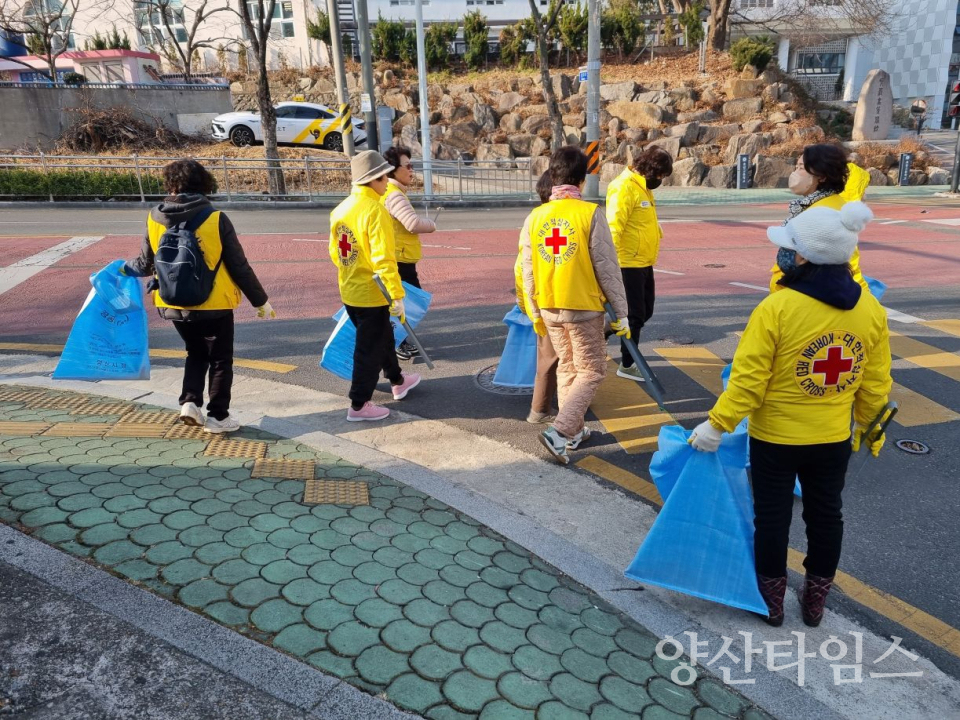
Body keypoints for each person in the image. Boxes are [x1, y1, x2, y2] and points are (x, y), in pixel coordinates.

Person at [690, 201, 892, 628]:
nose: (783, 254)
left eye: (789, 247)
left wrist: (716, 425)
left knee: (773, 519)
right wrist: (871, 431)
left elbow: (747, 382)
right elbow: (874, 383)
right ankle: (815, 602)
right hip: (833, 438)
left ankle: (773, 603)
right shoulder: (870, 310)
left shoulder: (777, 309)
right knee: (826, 516)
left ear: (804, 256)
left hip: (775, 440)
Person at [123, 159, 274, 434]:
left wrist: (121, 269)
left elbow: (145, 263)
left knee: (195, 352)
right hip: (213, 304)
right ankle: (218, 416)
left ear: (170, 184)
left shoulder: (154, 217)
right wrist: (260, 300)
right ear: (204, 183)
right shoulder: (215, 219)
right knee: (219, 359)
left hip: (171, 302)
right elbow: (238, 265)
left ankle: (190, 402)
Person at [521, 146, 630, 465]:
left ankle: (573, 432)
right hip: (582, 308)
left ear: (552, 175)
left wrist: (535, 312)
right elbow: (607, 268)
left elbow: (528, 268)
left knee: (569, 368)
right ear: (582, 180)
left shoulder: (536, 216)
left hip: (550, 306)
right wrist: (622, 313)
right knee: (592, 371)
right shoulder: (590, 214)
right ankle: (560, 432)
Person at [330, 150, 420, 422]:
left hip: (350, 289)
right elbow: (384, 259)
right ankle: (359, 405)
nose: (387, 183)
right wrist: (397, 295)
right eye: (384, 177)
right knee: (368, 348)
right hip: (373, 294)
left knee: (381, 339)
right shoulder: (374, 210)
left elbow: (335, 253)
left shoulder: (341, 208)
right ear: (375, 180)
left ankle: (397, 379)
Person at [605, 146, 673, 382]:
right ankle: (627, 364)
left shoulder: (641, 187)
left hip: (643, 261)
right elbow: (613, 227)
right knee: (634, 316)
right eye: (661, 175)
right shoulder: (623, 187)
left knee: (646, 311)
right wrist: (609, 266)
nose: (661, 180)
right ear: (651, 170)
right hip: (626, 263)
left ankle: (603, 331)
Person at [770, 144, 871, 294]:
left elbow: (848, 266)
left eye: (801, 168)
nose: (795, 173)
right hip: (795, 295)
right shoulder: (811, 205)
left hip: (805, 299)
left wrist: (863, 302)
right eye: (796, 167)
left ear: (822, 176)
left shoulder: (827, 212)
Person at [381, 146, 437, 361]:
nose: (412, 171)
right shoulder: (394, 194)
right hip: (399, 259)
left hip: (396, 256)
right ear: (393, 170)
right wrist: (431, 224)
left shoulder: (390, 192)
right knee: (410, 303)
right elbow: (412, 223)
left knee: (401, 302)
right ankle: (397, 343)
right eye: (408, 166)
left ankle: (398, 341)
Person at [515, 171, 559, 424]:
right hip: (564, 301)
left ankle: (540, 409)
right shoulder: (563, 218)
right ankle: (564, 409)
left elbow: (522, 268)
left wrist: (527, 305)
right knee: (569, 360)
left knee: (547, 358)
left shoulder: (533, 218)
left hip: (542, 301)